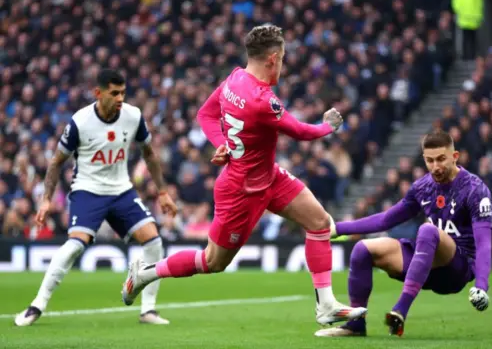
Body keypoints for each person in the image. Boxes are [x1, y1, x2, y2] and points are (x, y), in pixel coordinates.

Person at [121, 24, 367, 326]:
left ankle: (326, 305)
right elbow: (302, 132)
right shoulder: (264, 100)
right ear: (273, 58)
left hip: (269, 176)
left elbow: (205, 115)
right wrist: (329, 125)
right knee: (212, 262)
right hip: (241, 189)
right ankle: (145, 273)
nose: (284, 64)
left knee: (318, 222)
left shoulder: (234, 79)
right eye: (285, 58)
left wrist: (221, 143)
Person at [15, 69, 178, 326]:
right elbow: (56, 162)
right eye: (114, 93)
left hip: (122, 190)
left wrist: (163, 192)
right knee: (75, 245)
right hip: (87, 190)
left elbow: (149, 154)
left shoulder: (133, 116)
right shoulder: (80, 122)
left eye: (123, 92)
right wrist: (46, 199)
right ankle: (37, 304)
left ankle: (148, 310)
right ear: (98, 93)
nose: (120, 98)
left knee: (154, 240)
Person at [315, 130, 492, 337]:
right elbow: (386, 219)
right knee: (362, 250)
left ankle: (400, 311)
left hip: (456, 269)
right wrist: (338, 228)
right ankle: (355, 326)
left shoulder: (475, 189)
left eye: (441, 159)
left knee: (427, 230)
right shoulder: (423, 187)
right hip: (425, 261)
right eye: (430, 160)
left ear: (455, 156)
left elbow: (484, 243)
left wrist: (481, 285)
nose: (435, 166)